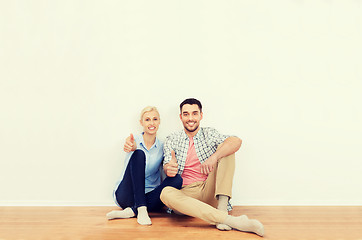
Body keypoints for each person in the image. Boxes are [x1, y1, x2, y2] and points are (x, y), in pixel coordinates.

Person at [160, 98, 264, 236]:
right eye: (186, 114)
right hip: (187, 195)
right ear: (181, 117)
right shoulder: (171, 139)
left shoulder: (209, 133)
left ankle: (222, 209)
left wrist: (214, 157)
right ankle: (231, 220)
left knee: (227, 148)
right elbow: (167, 165)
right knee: (165, 193)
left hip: (209, 188)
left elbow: (236, 141)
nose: (190, 118)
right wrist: (169, 168)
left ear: (201, 115)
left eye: (194, 113)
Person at [107, 106, 183, 225]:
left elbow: (167, 167)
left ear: (159, 122)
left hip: (149, 195)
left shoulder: (163, 146)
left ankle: (132, 211)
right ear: (141, 123)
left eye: (155, 119)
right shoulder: (134, 141)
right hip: (126, 195)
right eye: (147, 120)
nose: (151, 123)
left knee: (177, 179)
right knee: (139, 154)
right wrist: (131, 147)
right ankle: (141, 209)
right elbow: (130, 143)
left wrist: (170, 166)